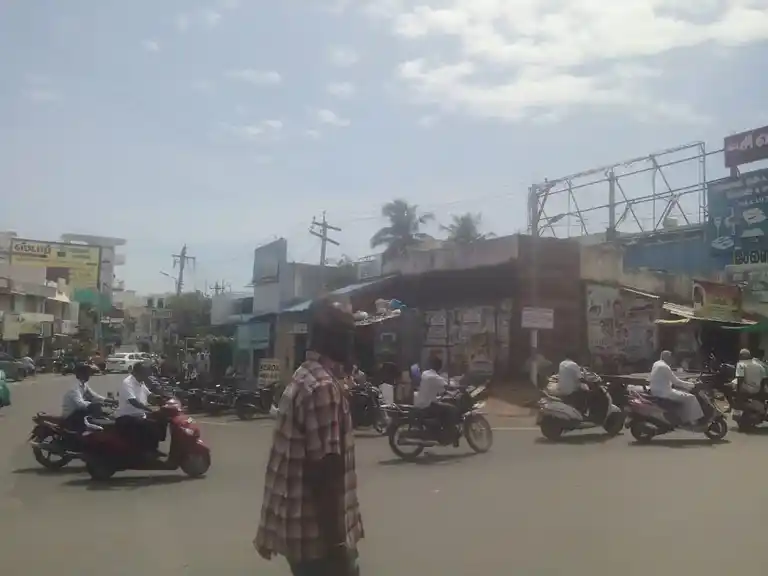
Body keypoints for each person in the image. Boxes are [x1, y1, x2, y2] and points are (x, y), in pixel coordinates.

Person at [254, 297, 362, 576]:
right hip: (319, 541)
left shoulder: (304, 376)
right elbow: (325, 472)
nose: (353, 341)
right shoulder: (323, 387)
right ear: (330, 337)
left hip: (302, 535)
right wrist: (338, 545)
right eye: (348, 333)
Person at [115, 362, 162, 457]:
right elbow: (133, 401)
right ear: (136, 372)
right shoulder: (127, 383)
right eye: (145, 372)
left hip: (139, 414)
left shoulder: (141, 382)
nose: (147, 374)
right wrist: (149, 409)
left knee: (161, 420)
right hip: (127, 416)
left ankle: (152, 449)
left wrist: (162, 398)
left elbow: (149, 395)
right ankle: (146, 451)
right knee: (150, 425)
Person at [649, 350, 704, 426]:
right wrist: (692, 385)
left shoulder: (656, 363)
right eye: (670, 357)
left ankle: (683, 417)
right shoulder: (665, 367)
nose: (672, 359)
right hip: (665, 393)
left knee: (683, 393)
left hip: (656, 391)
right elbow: (676, 382)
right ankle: (693, 422)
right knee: (691, 397)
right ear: (667, 357)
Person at [414, 356, 459, 436]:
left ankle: (440, 427)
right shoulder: (436, 377)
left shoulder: (425, 373)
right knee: (452, 409)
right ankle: (450, 432)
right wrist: (457, 387)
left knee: (442, 405)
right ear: (440, 367)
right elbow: (448, 386)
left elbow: (439, 389)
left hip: (420, 402)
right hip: (428, 404)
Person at [61, 363, 106, 431]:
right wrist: (93, 404)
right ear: (79, 374)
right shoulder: (74, 387)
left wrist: (107, 400)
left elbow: (93, 395)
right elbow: (80, 404)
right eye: (85, 372)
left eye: (88, 372)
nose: (88, 374)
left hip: (79, 412)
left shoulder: (84, 384)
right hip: (71, 415)